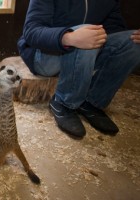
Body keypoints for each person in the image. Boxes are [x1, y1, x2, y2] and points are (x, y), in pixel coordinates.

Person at [18, 0, 140, 139]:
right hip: (45, 55)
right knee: (87, 30)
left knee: (133, 42)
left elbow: (114, 30)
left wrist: (129, 37)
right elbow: (31, 31)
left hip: (86, 55)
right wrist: (69, 37)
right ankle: (64, 103)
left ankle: (92, 102)